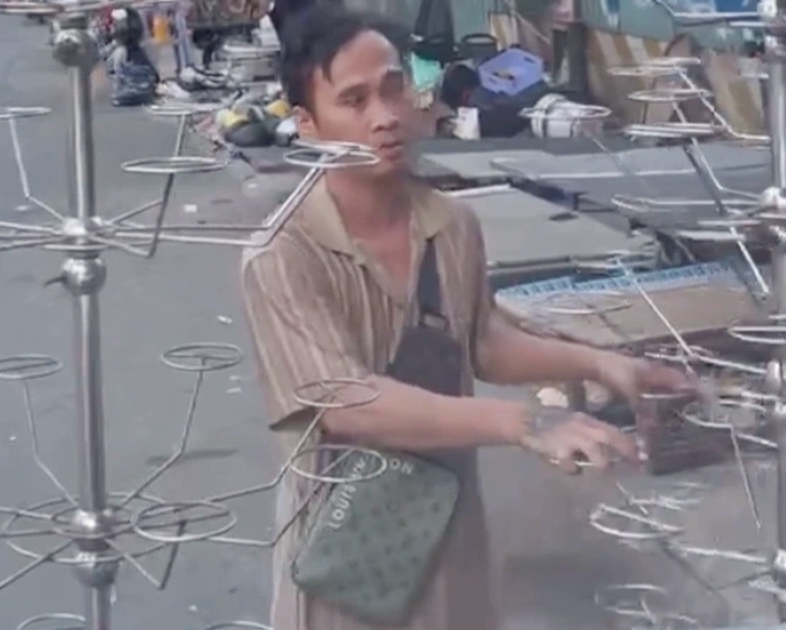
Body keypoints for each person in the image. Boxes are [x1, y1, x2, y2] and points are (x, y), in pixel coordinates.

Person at [238, 5, 694, 630]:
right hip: (345, 545)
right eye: (354, 100)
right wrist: (525, 421)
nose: (384, 116)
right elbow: (344, 401)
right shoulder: (282, 252)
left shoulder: (452, 225)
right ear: (308, 125)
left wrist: (603, 363)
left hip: (449, 527)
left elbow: (481, 340)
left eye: (394, 86)